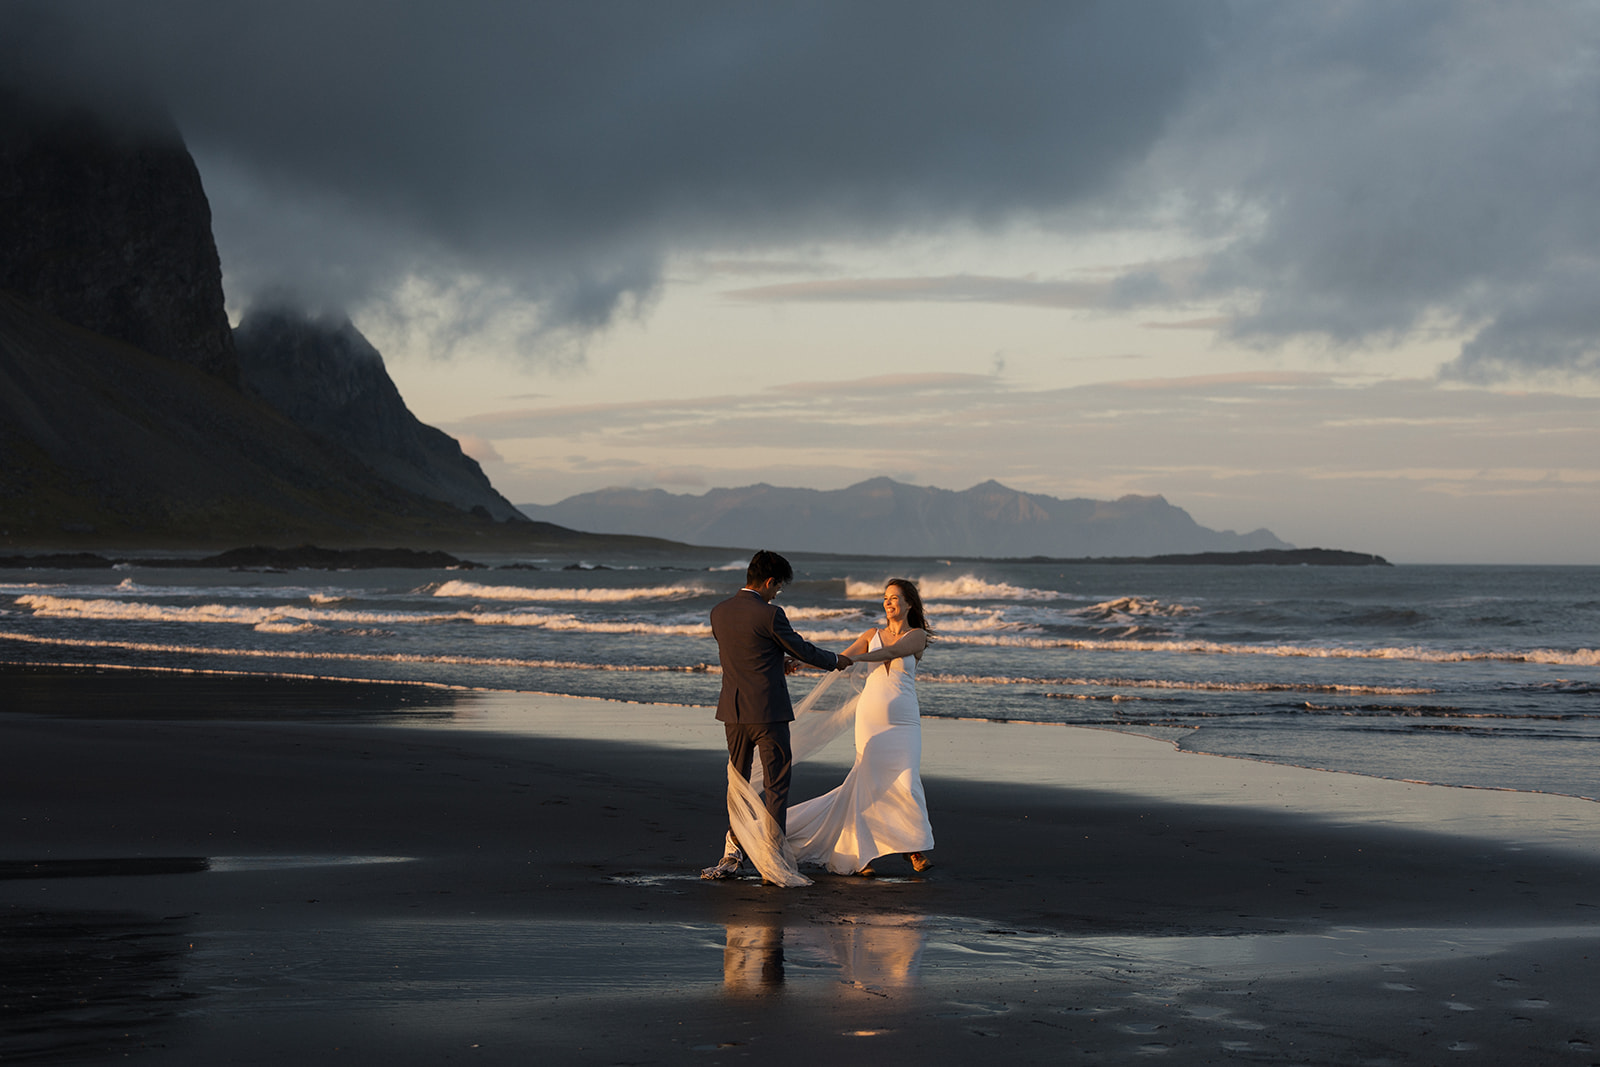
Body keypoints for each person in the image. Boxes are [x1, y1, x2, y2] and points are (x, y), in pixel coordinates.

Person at [702, 550, 852, 879]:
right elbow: (801, 648)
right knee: (776, 785)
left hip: (733, 713)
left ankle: (732, 852)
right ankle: (772, 856)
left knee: (738, 784)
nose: (776, 594)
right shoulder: (770, 614)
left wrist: (777, 665)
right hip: (768, 713)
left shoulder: (719, 612)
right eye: (778, 588)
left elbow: (743, 655)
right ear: (769, 582)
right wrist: (836, 661)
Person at [786, 578, 935, 875]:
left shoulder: (917, 636)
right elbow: (838, 659)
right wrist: (803, 662)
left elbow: (890, 653)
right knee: (866, 782)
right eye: (885, 598)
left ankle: (912, 845)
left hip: (904, 721)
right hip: (871, 718)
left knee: (907, 780)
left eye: (894, 598)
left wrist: (856, 658)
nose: (888, 602)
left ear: (909, 603)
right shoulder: (871, 634)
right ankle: (861, 856)